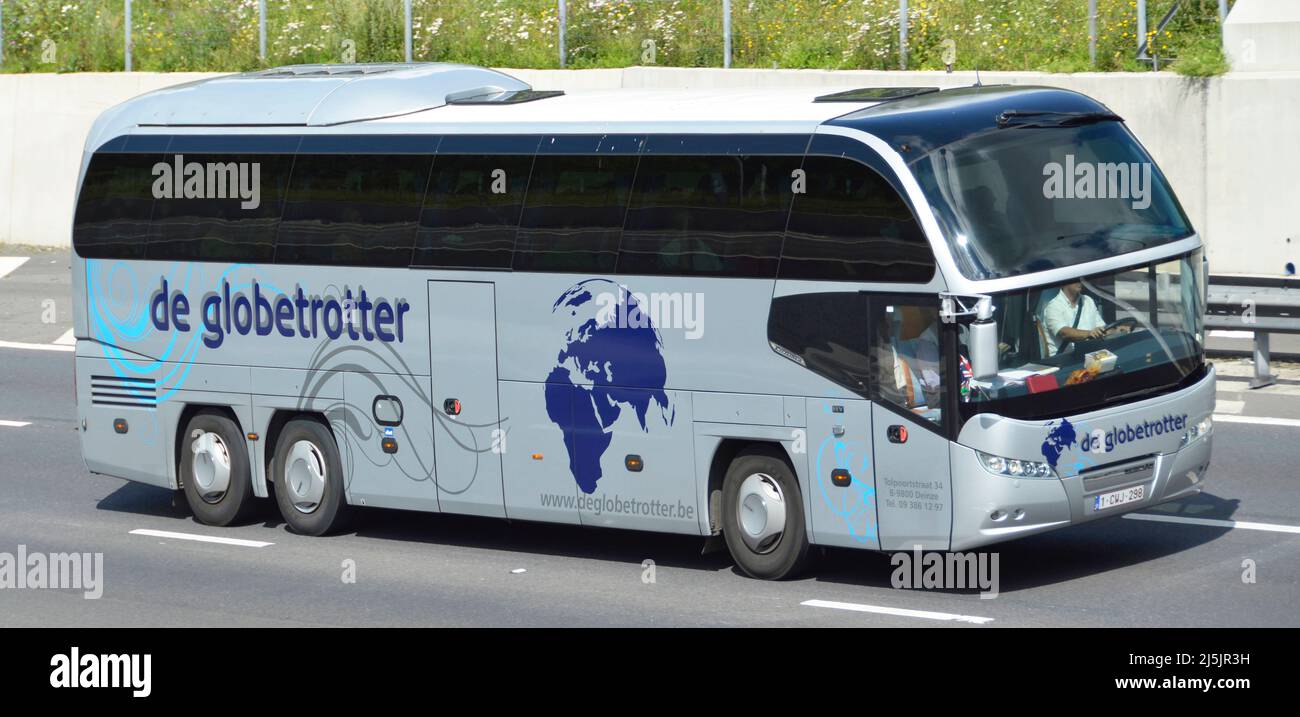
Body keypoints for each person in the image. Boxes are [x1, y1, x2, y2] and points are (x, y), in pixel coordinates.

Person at [1041, 281, 1105, 357]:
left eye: (1081, 278)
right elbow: (1064, 333)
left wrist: (1116, 330)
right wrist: (1089, 333)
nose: (1080, 282)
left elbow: (1101, 327)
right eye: (1075, 279)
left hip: (1090, 355)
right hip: (1064, 360)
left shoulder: (1087, 300)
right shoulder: (1053, 306)